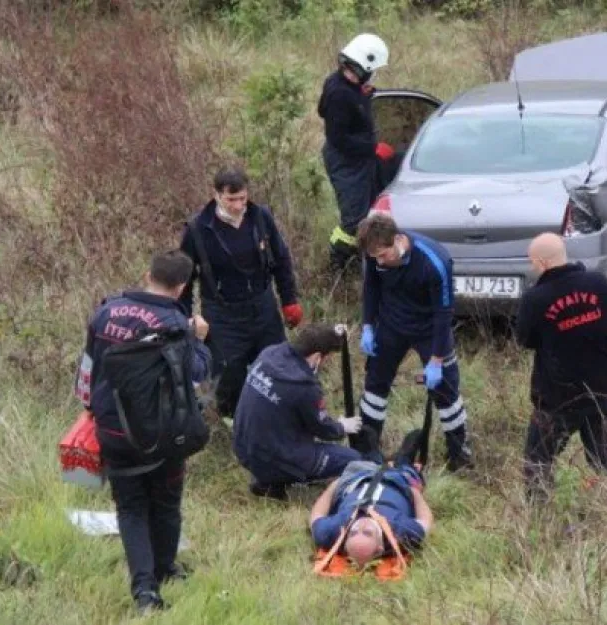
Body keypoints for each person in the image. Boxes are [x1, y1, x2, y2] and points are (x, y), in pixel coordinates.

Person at [74, 249, 212, 614]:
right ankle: (166, 569)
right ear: (182, 287)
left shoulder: (105, 312)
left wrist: (90, 410)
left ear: (146, 273)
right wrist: (199, 339)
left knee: (131, 509)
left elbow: (87, 370)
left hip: (114, 431)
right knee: (166, 503)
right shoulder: (175, 324)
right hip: (165, 435)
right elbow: (196, 375)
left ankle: (145, 592)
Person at [179, 166, 303, 419]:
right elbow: (184, 278)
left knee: (277, 365)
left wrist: (289, 300)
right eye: (231, 199)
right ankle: (235, 422)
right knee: (229, 375)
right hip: (223, 314)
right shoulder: (198, 230)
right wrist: (186, 318)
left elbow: (281, 259)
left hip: (262, 306)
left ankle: (277, 418)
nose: (237, 205)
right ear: (216, 195)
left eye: (242, 198)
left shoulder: (260, 217)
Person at [355, 212, 473, 472]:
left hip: (429, 329)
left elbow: (443, 313)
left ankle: (460, 453)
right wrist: (367, 326)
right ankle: (366, 448)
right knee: (375, 385)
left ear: (398, 240)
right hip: (391, 324)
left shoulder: (434, 261)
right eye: (375, 259)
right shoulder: (374, 254)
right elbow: (371, 289)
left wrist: (437, 359)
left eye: (384, 256)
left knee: (446, 391)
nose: (381, 263)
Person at [514, 233, 607, 501]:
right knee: (603, 458)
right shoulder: (598, 282)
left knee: (538, 460)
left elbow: (525, 340)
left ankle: (538, 516)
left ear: (541, 262)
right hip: (604, 388)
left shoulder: (535, 298)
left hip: (556, 397)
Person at [232, 323, 365, 501]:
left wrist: (335, 333)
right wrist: (341, 427)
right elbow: (323, 429)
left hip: (243, 448)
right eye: (324, 358)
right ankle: (275, 479)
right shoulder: (304, 386)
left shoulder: (268, 354)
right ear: (317, 357)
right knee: (353, 460)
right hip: (273, 457)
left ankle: (267, 479)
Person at [317, 33, 396, 272]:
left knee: (369, 212)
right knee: (353, 222)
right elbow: (338, 138)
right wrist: (373, 149)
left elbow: (323, 110)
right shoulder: (340, 93)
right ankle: (339, 268)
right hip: (346, 163)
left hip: (358, 161)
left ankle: (364, 260)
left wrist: (361, 96)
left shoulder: (343, 84)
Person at [309, 431, 434, 569]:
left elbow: (316, 515)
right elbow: (426, 520)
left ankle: (372, 449)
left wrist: (333, 487)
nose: (360, 526)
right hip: (398, 482)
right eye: (367, 533)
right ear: (380, 548)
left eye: (353, 533)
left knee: (369, 453)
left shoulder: (331, 532)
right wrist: (415, 493)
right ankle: (405, 454)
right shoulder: (402, 532)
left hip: (359, 477)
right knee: (405, 463)